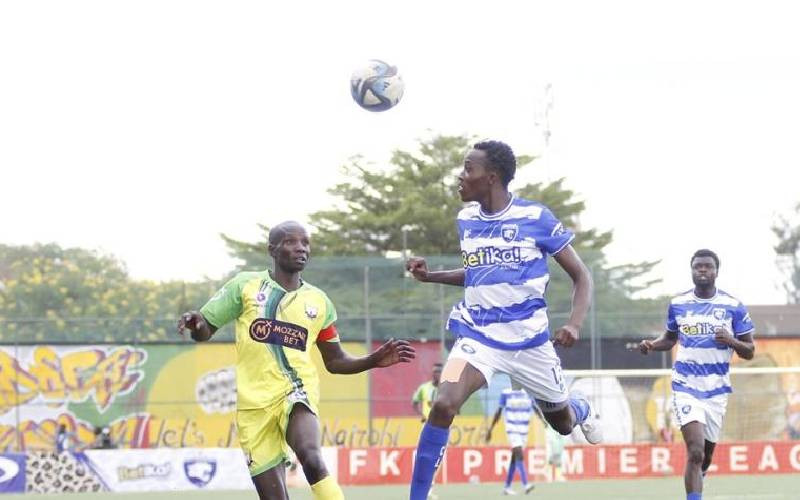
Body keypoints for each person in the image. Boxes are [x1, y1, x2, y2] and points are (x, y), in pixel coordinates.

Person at [406, 140, 602, 500]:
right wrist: (430, 276)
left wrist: (574, 323)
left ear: (492, 177)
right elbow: (477, 274)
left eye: (468, 169)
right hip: (474, 336)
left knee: (561, 424)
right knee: (443, 401)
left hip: (530, 343)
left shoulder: (536, 218)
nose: (461, 176)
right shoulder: (466, 220)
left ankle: (580, 407)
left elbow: (582, 276)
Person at [178, 221, 416, 500]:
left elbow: (335, 360)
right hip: (253, 406)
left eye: (305, 242)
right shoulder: (245, 285)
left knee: (311, 457)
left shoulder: (319, 302)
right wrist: (196, 324)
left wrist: (372, 360)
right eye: (291, 242)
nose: (301, 248)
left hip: (296, 392)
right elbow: (205, 328)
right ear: (272, 250)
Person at [638, 249, 754, 500]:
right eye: (697, 266)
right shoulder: (678, 304)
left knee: (706, 457)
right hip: (686, 386)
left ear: (716, 271)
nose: (702, 269)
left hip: (716, 391)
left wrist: (731, 340)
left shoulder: (733, 306)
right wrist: (652, 345)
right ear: (692, 270)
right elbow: (669, 338)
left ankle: (699, 477)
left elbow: (750, 351)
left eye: (707, 266)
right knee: (695, 451)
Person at [485, 383, 536, 495]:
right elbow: (498, 412)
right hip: (512, 428)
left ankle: (507, 487)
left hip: (524, 430)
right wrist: (490, 429)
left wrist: (544, 421)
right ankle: (526, 484)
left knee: (515, 458)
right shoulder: (506, 393)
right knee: (519, 454)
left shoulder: (529, 393)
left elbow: (536, 408)